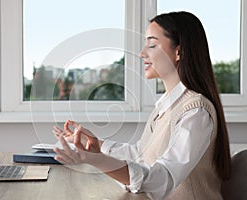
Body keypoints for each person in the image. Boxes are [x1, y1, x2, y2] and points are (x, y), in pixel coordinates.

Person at [52, 11, 231, 200]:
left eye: (152, 44)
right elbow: (142, 154)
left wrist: (98, 160)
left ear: (179, 51)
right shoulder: (166, 106)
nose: (142, 53)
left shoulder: (196, 112)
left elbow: (164, 179)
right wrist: (97, 145)